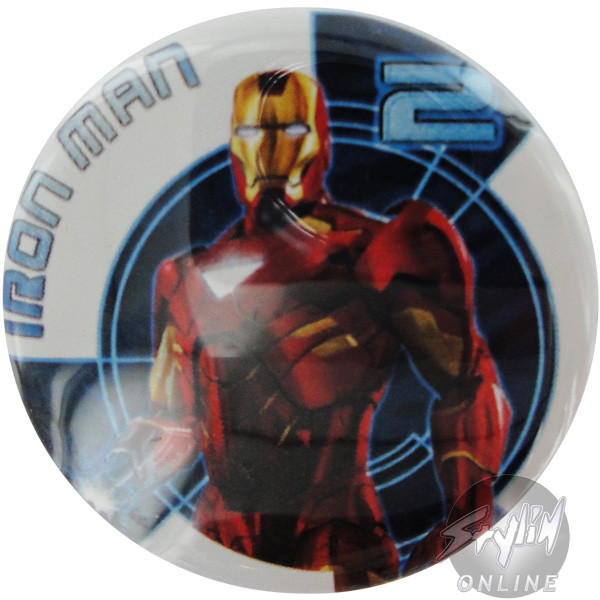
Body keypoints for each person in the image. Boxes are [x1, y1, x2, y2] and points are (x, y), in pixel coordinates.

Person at [144, 70, 510, 591]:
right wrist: (116, 487)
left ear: (323, 142)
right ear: (232, 145)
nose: (269, 153)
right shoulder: (185, 280)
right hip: (220, 534)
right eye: (250, 132)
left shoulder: (381, 253)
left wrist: (465, 524)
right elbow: (169, 424)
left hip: (335, 531)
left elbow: (468, 384)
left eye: (292, 130)